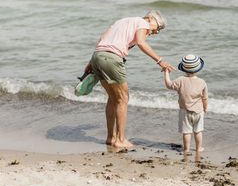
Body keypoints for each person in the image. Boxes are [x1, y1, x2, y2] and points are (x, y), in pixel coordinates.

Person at [85, 10, 176, 148]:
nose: (156, 32)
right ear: (151, 18)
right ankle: (121, 140)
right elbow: (141, 42)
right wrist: (160, 61)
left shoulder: (121, 22)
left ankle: (111, 137)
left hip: (97, 56)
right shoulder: (142, 22)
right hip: (112, 58)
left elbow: (101, 40)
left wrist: (91, 62)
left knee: (113, 98)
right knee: (123, 98)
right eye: (158, 28)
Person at [164, 54, 208, 153]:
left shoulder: (180, 80)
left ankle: (187, 149)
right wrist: (205, 108)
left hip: (184, 111)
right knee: (198, 131)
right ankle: (198, 148)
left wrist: (166, 73)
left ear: (184, 69)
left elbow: (169, 85)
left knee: (186, 132)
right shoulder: (202, 82)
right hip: (198, 111)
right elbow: (205, 98)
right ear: (198, 69)